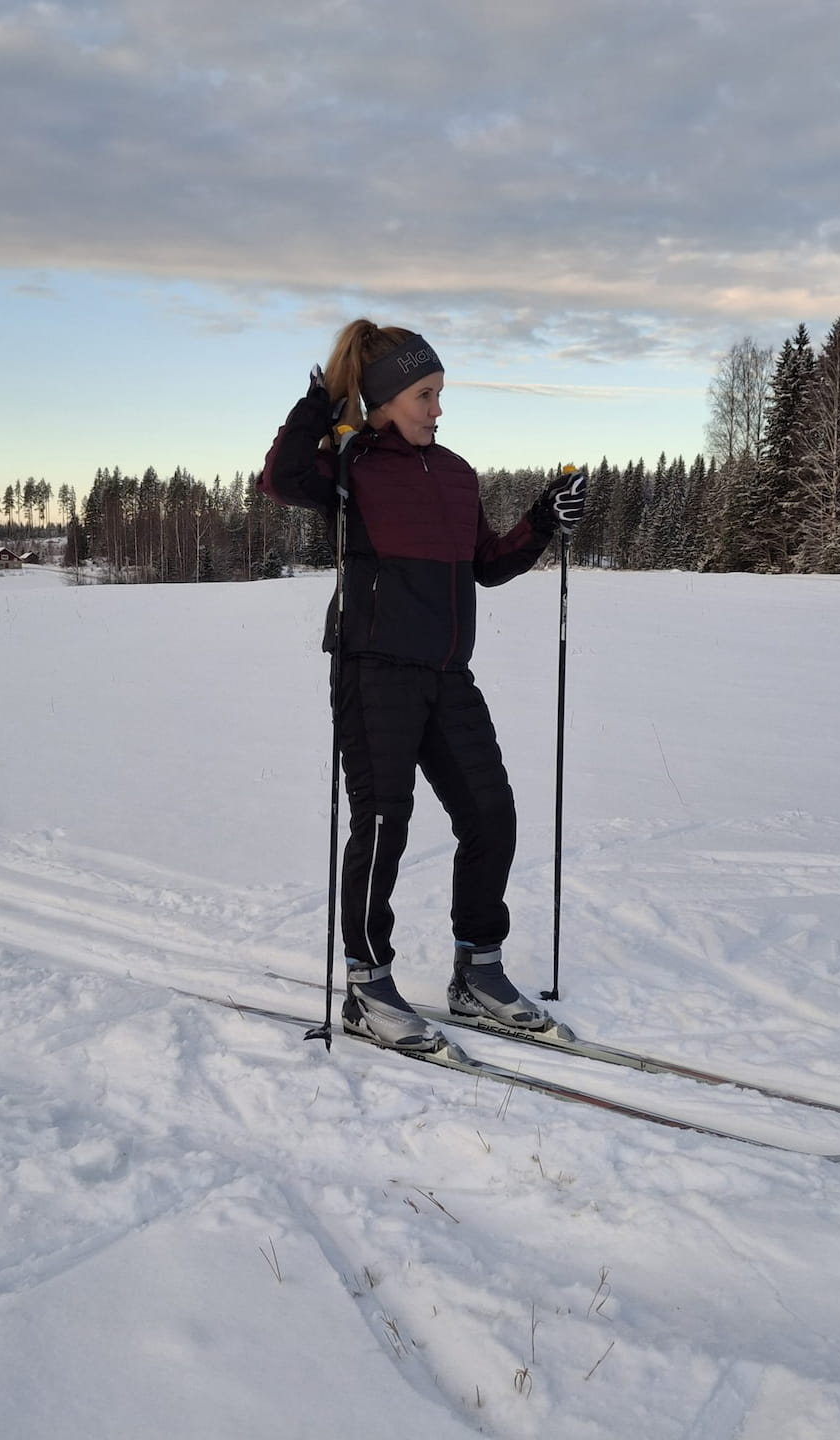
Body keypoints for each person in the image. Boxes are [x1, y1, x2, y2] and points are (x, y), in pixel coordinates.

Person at [258, 319, 587, 1050]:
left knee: (490, 811)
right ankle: (367, 986)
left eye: (439, 394)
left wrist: (541, 518)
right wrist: (321, 399)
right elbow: (278, 479)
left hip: (447, 673)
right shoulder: (348, 469)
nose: (438, 410)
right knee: (382, 824)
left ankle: (477, 970)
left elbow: (488, 564)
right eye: (423, 395)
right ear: (379, 400)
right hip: (372, 669)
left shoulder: (458, 472)